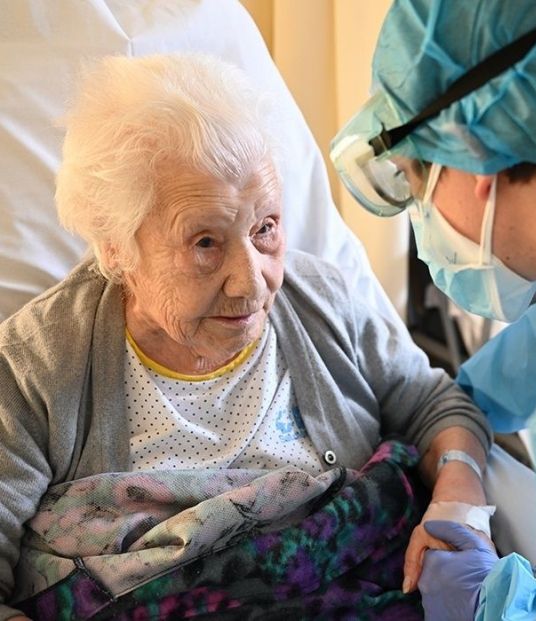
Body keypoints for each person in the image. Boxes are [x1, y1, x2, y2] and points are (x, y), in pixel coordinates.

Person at [0, 53, 494, 620]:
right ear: (116, 248)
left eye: (266, 229)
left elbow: (435, 404)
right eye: (205, 243)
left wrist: (460, 501)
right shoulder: (32, 367)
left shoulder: (323, 297)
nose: (254, 281)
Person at [330, 0, 536, 619]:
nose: (423, 221)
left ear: (472, 156)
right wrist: (458, 460)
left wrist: (490, 605)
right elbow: (475, 393)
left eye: (415, 184)